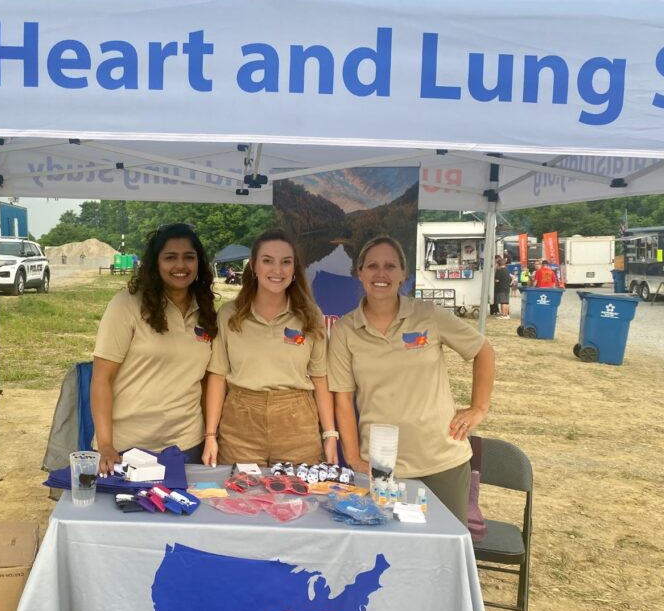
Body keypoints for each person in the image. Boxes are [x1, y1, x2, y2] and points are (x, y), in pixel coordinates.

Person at [329, 235, 496, 524]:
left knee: (443, 545)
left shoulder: (428, 315)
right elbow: (343, 399)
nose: (381, 274)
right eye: (372, 266)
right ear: (360, 273)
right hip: (381, 467)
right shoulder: (345, 330)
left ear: (403, 274)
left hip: (442, 461)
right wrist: (353, 458)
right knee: (387, 546)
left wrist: (478, 408)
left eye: (390, 266)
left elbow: (483, 351)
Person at [91, 223, 218, 475]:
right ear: (155, 263)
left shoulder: (205, 310)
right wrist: (105, 445)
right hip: (127, 448)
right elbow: (101, 379)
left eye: (189, 257)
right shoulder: (126, 305)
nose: (180, 265)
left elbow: (204, 381)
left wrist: (210, 436)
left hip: (187, 445)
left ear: (199, 263)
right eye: (170, 257)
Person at [203, 230, 338, 467]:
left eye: (286, 262)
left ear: (294, 268)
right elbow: (218, 375)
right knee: (238, 490)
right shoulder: (229, 314)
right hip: (240, 427)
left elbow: (320, 378)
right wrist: (210, 436)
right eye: (267, 261)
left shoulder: (310, 315)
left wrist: (329, 435)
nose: (277, 270)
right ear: (253, 265)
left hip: (297, 426)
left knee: (299, 491)